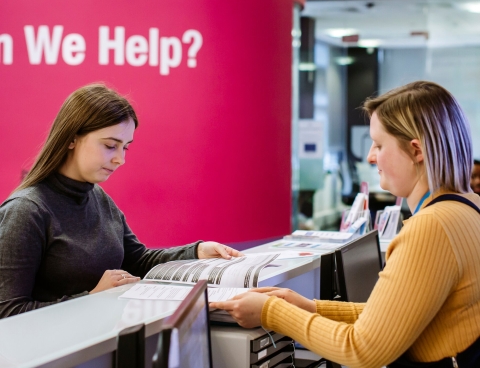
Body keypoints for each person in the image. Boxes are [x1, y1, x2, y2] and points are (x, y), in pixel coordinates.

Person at [211, 81, 480, 368]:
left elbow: (363, 350)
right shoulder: (469, 205)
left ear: (416, 151)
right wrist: (309, 307)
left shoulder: (431, 227)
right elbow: (395, 316)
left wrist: (271, 312)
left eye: (378, 144)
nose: (370, 156)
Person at [0, 83, 241, 319]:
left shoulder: (98, 197)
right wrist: (91, 298)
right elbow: (7, 311)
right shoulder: (26, 211)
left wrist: (197, 251)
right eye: (110, 146)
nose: (119, 159)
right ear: (71, 139)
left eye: (125, 148)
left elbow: (138, 261)